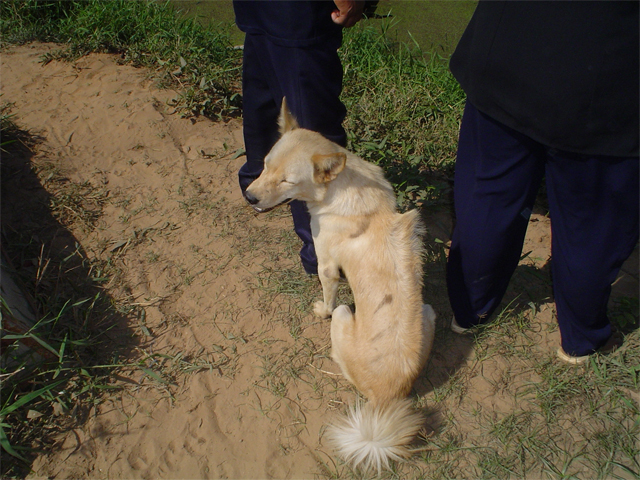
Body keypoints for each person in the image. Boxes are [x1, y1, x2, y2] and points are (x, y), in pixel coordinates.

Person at [446, 1, 639, 364]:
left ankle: (470, 310)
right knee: (592, 224)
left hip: (511, 46)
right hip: (613, 74)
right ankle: (580, 339)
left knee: (488, 192)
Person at [233, 0, 365, 275]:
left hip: (259, 9)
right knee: (315, 136)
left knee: (266, 98)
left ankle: (259, 186)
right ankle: (322, 253)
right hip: (299, 13)